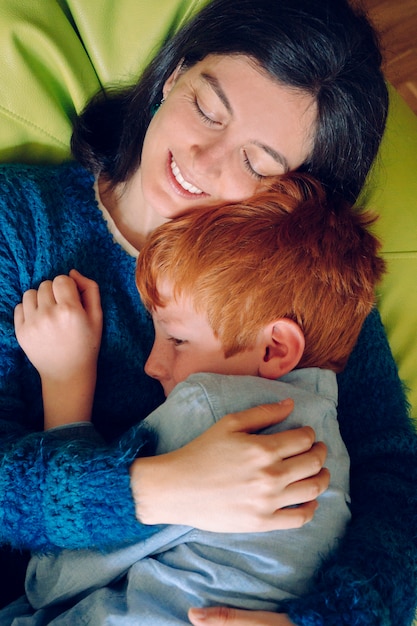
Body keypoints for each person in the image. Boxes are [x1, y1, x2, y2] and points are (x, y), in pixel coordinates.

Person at [0, 0, 415, 624]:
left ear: (297, 194)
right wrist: (160, 488)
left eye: (258, 162)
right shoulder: (21, 223)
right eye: (207, 108)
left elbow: (394, 477)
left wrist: (327, 619)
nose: (204, 160)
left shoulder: (288, 280)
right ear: (174, 76)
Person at [6, 174, 383, 625]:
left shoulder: (211, 408)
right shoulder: (332, 436)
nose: (153, 364)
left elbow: (52, 581)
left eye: (177, 338)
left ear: (276, 348)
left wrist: (66, 380)